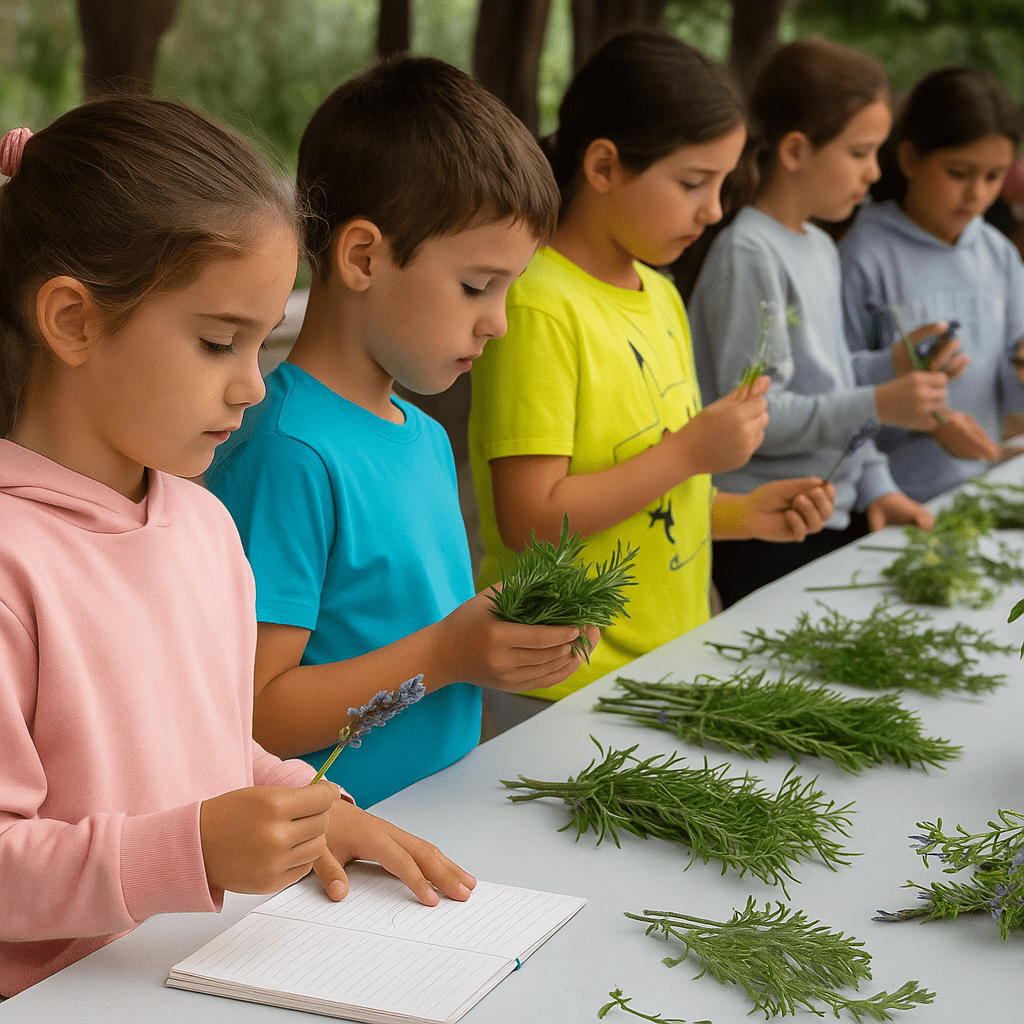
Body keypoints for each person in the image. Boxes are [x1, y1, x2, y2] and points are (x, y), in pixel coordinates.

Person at [0, 100, 475, 999]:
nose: (254, 384)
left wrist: (312, 808)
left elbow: (211, 749)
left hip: (214, 971)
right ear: (73, 321)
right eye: (219, 341)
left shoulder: (204, 525)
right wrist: (189, 850)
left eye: (262, 341)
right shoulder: (13, 564)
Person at [206, 56, 598, 807]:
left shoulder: (422, 434)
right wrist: (448, 656)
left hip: (446, 814)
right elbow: (257, 717)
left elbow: (414, 628)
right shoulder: (288, 453)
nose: (500, 321)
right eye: (478, 286)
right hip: (336, 858)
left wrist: (509, 640)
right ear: (363, 256)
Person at [467, 31, 836, 702]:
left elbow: (644, 498)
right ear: (604, 166)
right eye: (694, 182)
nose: (716, 208)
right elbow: (531, 520)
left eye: (723, 183)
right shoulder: (538, 303)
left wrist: (741, 513)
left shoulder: (661, 290)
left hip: (667, 669)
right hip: (564, 687)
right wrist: (693, 452)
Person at [687, 37, 945, 608]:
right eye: (859, 152)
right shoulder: (750, 252)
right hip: (764, 523)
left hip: (828, 512)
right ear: (796, 149)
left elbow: (828, 383)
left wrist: (878, 484)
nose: (874, 173)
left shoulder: (821, 247)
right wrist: (881, 402)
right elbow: (754, 414)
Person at [839, 65, 1024, 503]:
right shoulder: (863, 254)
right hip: (891, 498)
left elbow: (1012, 367)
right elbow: (837, 388)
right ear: (910, 160)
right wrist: (933, 422)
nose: (976, 193)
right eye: (960, 173)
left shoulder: (998, 254)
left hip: (981, 491)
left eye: (993, 176)